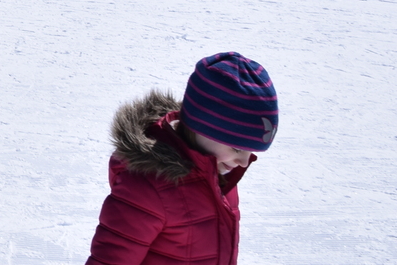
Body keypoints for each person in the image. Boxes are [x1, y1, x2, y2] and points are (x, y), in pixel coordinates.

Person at [85, 52, 279, 265]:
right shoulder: (147, 188)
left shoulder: (220, 176)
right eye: (236, 148)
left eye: (251, 151)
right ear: (202, 126)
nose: (244, 162)